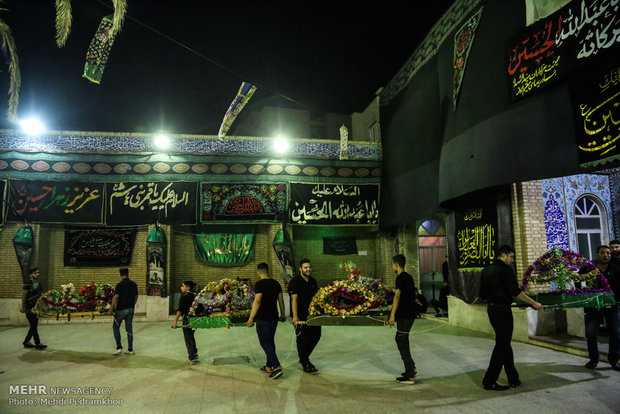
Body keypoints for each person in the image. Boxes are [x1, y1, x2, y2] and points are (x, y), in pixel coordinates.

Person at [480, 245, 543, 391]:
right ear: (503, 255)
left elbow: (482, 294)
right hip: (503, 311)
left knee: (504, 343)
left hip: (492, 310)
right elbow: (516, 292)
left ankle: (513, 378)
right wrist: (534, 303)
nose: (513, 260)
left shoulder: (486, 270)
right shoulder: (505, 270)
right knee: (502, 345)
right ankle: (489, 381)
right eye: (512, 256)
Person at [246, 263, 287, 380]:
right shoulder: (276, 283)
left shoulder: (259, 284)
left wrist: (250, 318)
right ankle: (269, 366)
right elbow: (281, 300)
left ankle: (277, 366)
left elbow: (257, 301)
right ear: (267, 271)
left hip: (263, 318)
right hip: (274, 317)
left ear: (258, 272)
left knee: (264, 343)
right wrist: (283, 314)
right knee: (270, 341)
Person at [584, 245, 620, 371]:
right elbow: (578, 279)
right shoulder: (589, 268)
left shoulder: (616, 268)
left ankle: (614, 360)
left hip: (612, 306)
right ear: (597, 254)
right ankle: (593, 360)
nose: (606, 255)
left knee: (616, 333)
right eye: (603, 253)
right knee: (591, 333)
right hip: (593, 306)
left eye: (608, 253)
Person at [387, 254, 418, 384]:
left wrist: (392, 315)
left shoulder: (400, 278)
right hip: (410, 313)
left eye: (392, 264)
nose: (392, 266)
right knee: (400, 339)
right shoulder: (408, 277)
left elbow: (398, 297)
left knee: (402, 342)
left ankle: (410, 375)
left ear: (396, 265)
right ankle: (412, 367)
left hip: (405, 314)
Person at [289, 258, 321, 374]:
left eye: (309, 267)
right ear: (300, 269)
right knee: (302, 339)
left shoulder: (313, 281)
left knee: (316, 335)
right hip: (300, 315)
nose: (308, 269)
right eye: (305, 267)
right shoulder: (295, 281)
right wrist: (295, 316)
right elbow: (294, 299)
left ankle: (303, 357)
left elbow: (317, 298)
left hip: (312, 315)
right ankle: (305, 363)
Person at [107, 268, 138, 356]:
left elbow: (116, 297)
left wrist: (110, 309)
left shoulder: (120, 285)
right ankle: (130, 349)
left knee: (116, 327)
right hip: (130, 309)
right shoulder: (133, 284)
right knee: (129, 329)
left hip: (121, 310)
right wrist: (132, 305)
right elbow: (136, 296)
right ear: (128, 273)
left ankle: (119, 347)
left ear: (120, 275)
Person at [172, 281, 199, 365]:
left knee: (188, 338)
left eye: (183, 286)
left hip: (187, 319)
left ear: (188, 288)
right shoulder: (194, 295)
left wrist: (175, 322)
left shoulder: (184, 296)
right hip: (194, 319)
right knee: (191, 336)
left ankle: (192, 358)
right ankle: (194, 353)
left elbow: (180, 309)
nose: (181, 288)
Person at [20, 268, 47, 349]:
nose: (37, 274)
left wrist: (43, 306)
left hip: (36, 308)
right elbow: (24, 297)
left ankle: (26, 342)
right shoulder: (27, 284)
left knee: (33, 326)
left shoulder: (39, 284)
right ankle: (37, 343)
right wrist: (23, 307)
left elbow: (41, 297)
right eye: (35, 273)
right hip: (29, 308)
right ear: (31, 274)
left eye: (38, 273)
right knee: (34, 325)